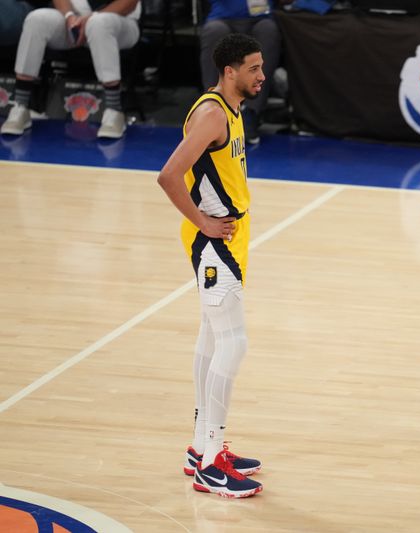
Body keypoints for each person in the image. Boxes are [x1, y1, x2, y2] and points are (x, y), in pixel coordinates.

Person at [157, 33, 266, 499]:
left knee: (211, 338)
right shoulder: (210, 114)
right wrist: (202, 221)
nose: (262, 75)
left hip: (226, 241)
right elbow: (167, 175)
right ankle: (210, 463)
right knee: (234, 343)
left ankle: (203, 447)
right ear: (230, 72)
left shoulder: (231, 108)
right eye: (254, 68)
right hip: (213, 244)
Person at [0, 0, 141, 139]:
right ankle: (20, 106)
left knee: (99, 23)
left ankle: (114, 111)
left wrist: (91, 19)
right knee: (36, 19)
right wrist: (69, 16)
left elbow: (129, 3)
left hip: (119, 21)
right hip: (75, 22)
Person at [199, 0, 290, 145]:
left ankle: (251, 112)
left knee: (269, 30)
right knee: (214, 31)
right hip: (222, 18)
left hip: (261, 18)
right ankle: (212, 107)